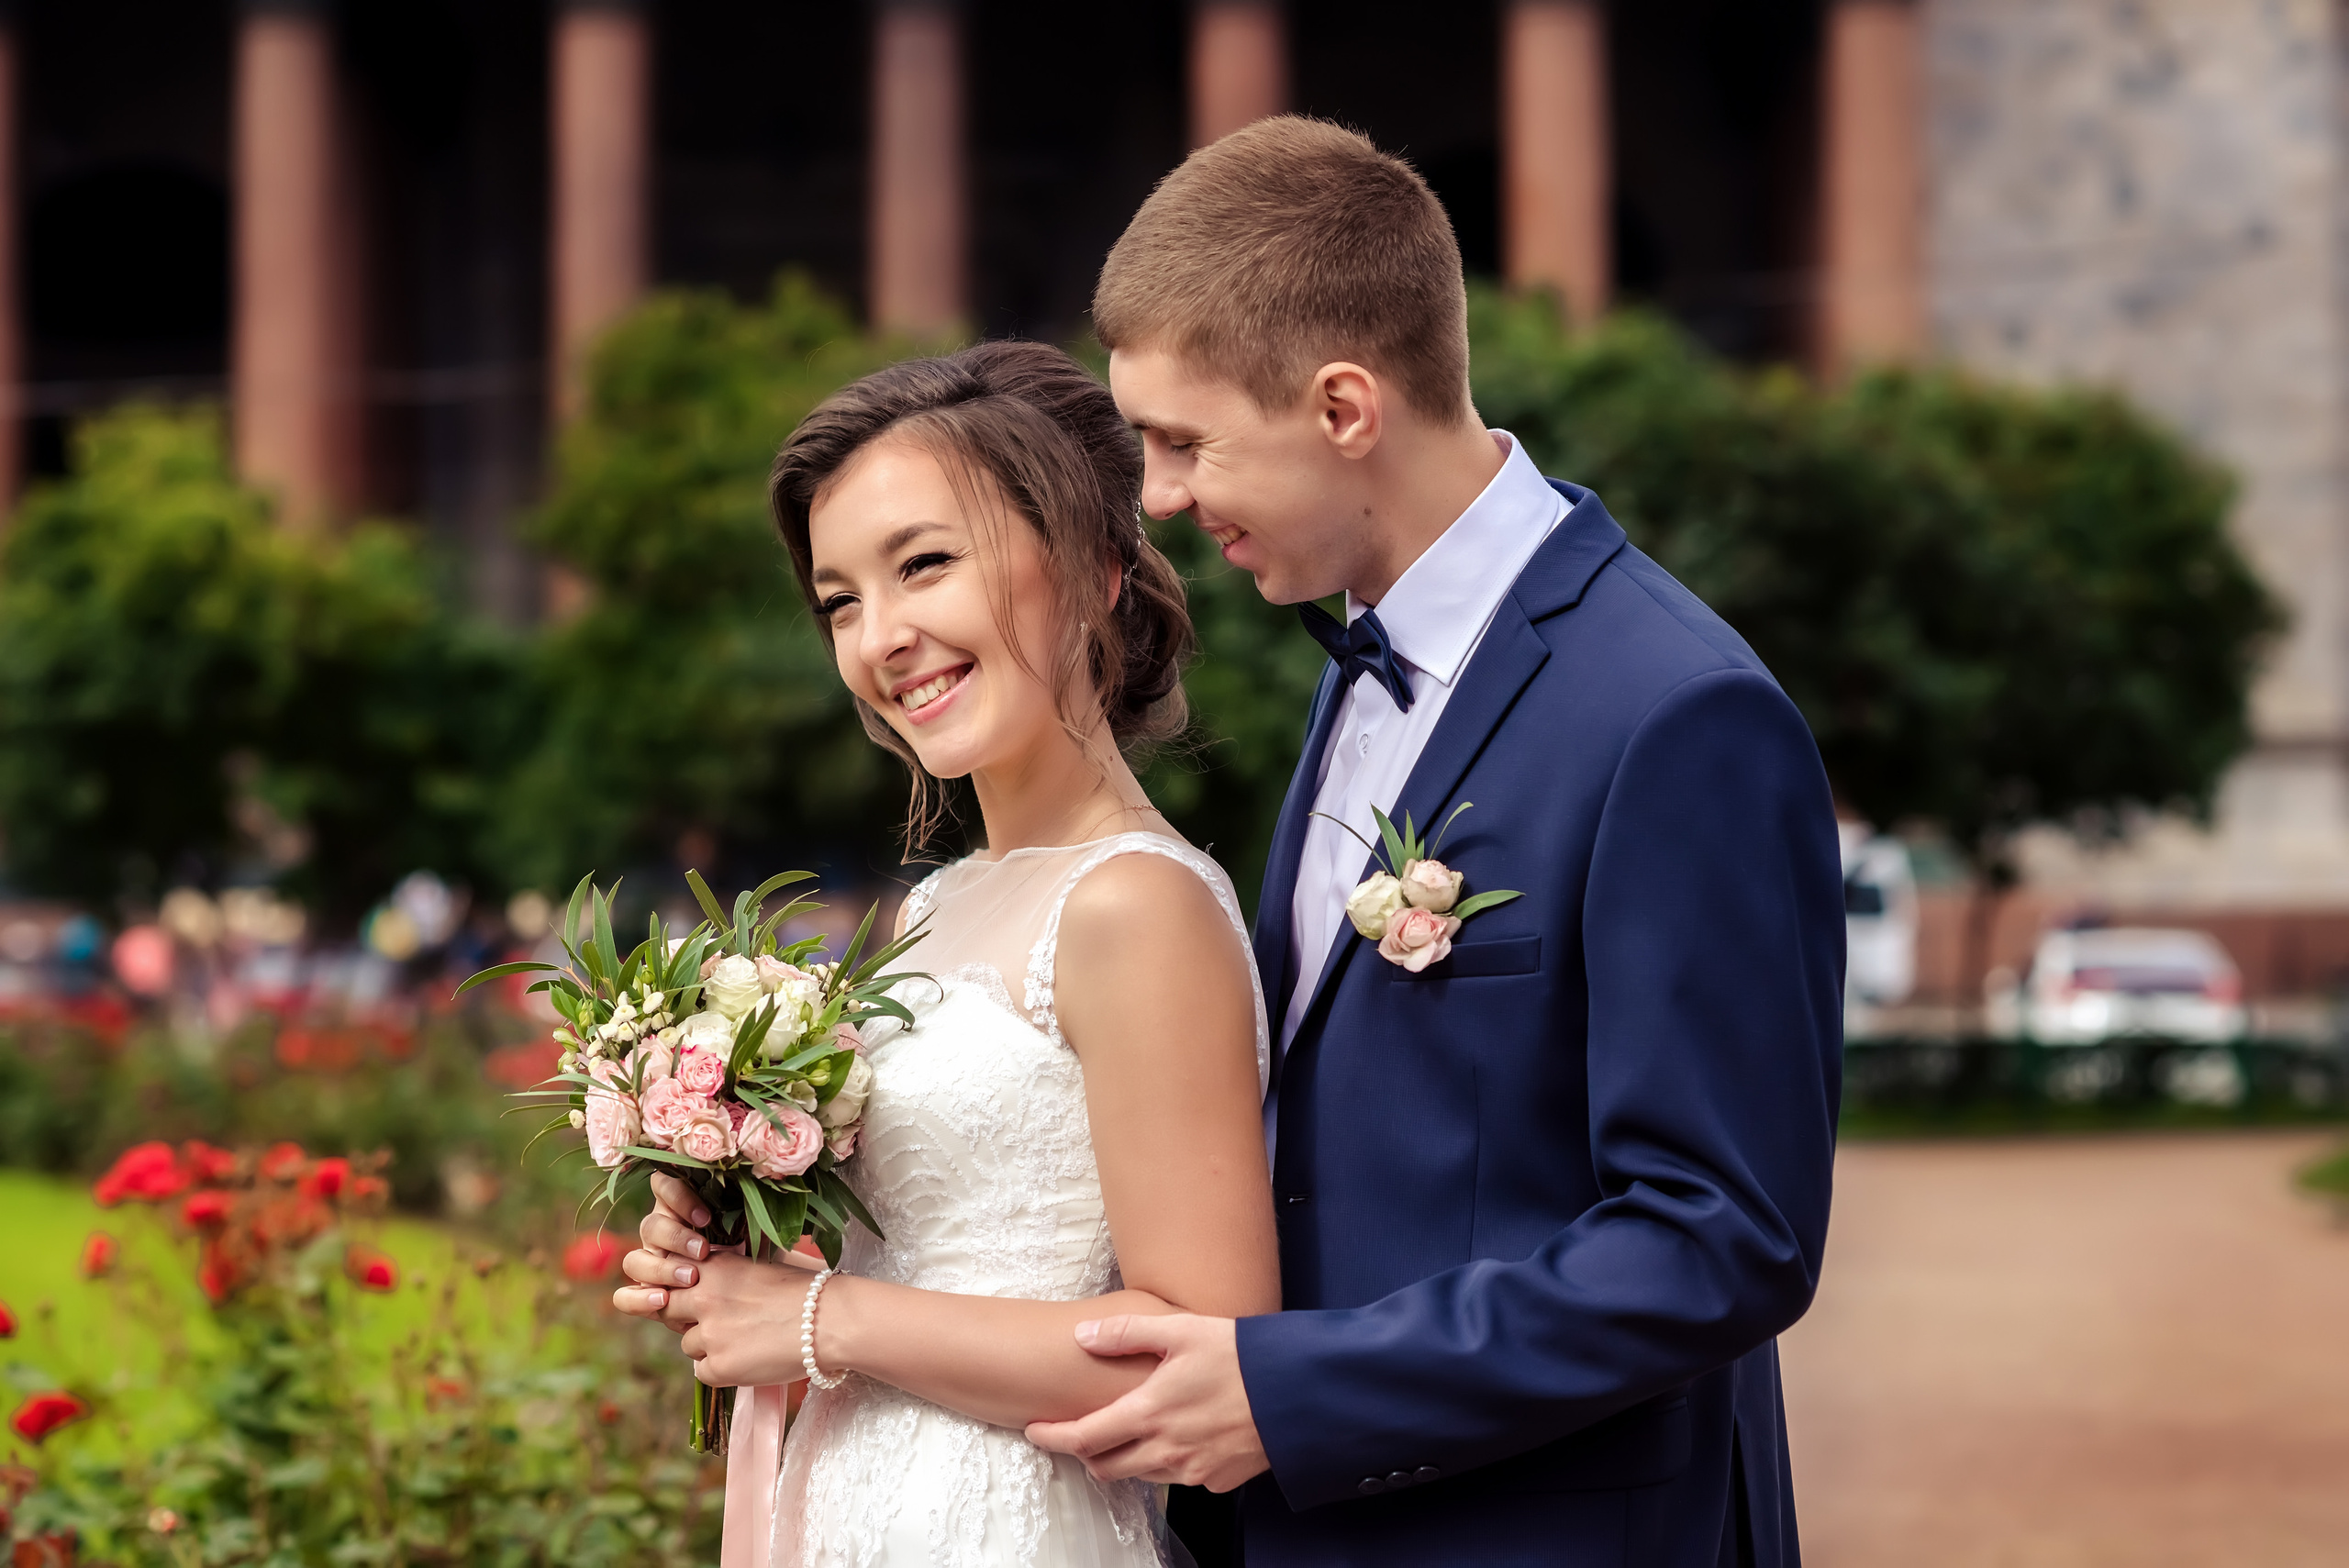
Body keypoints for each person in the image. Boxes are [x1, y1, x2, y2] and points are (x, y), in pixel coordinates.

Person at [1019, 117, 1845, 1568]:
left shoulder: (1678, 713)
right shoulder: (1361, 657)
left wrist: (1298, 1390)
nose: (1155, 495)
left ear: (1346, 408)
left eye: (1183, 440)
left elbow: (1722, 1235)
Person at [612, 340, 1281, 1568]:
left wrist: (821, 1316)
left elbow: (1204, 1349)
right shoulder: (939, 907)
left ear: (1093, 563)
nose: (881, 636)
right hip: (866, 1508)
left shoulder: (1136, 904)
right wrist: (740, 1235)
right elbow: (930, 1252)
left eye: (924, 564)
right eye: (840, 601)